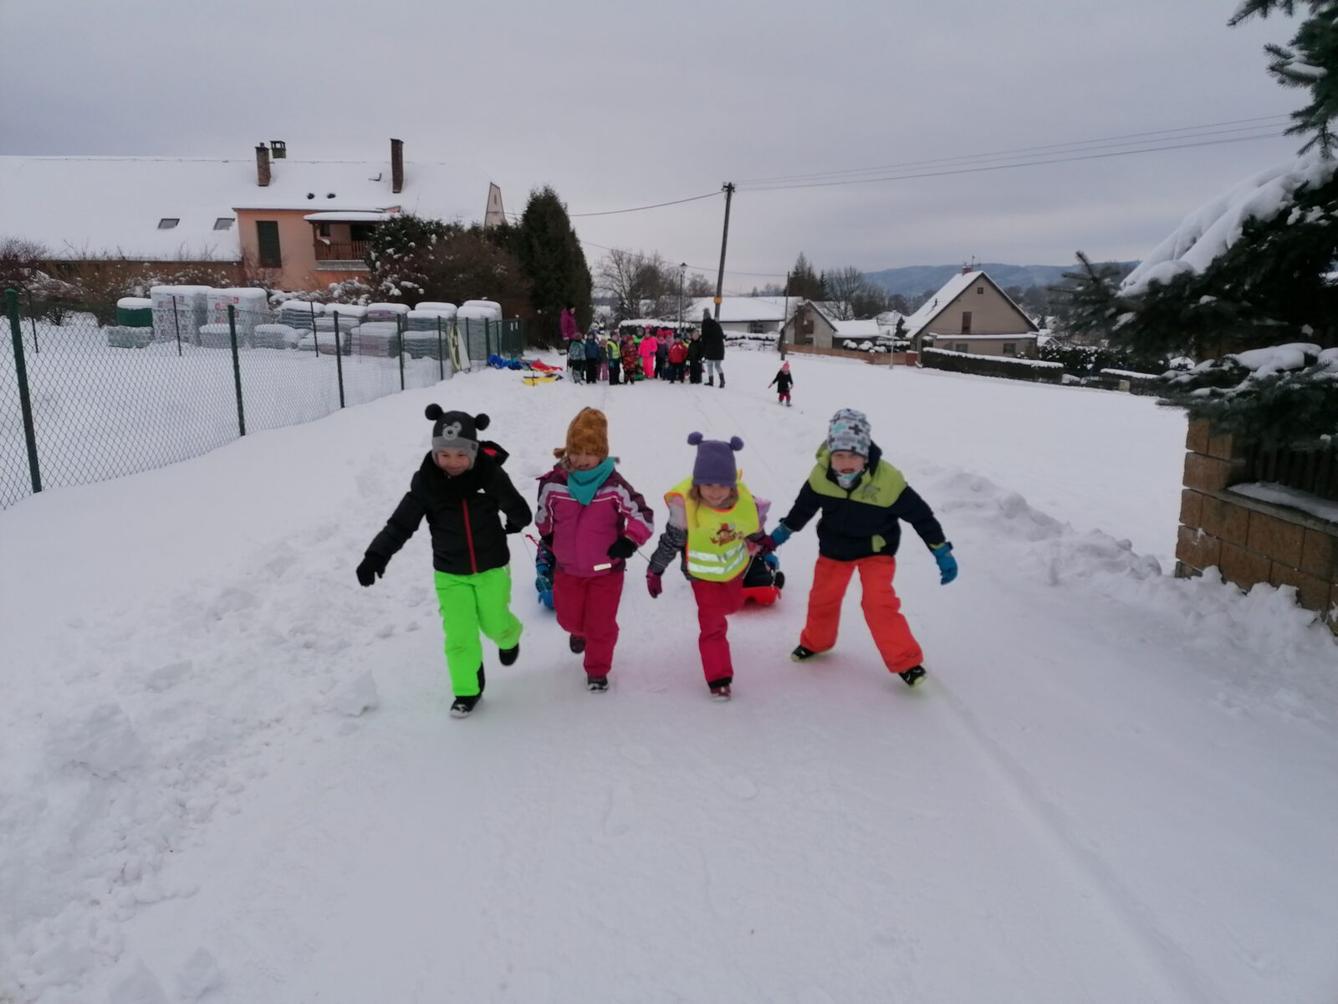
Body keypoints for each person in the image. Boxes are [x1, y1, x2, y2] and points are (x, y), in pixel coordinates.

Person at [760, 409, 958, 688]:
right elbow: (801, 511)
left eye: (853, 455)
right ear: (830, 454)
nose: (846, 463)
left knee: (878, 603)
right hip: (834, 548)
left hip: (875, 550)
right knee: (823, 598)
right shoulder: (821, 476)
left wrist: (940, 550)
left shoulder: (887, 480)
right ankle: (816, 642)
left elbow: (920, 515)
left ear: (866, 455)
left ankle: (906, 661)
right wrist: (778, 536)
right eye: (839, 455)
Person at [356, 405, 532, 718]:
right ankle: (467, 690)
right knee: (459, 636)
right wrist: (376, 555)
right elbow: (400, 524)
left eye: (461, 455)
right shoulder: (427, 485)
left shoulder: (488, 475)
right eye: (445, 455)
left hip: (492, 567)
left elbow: (512, 501)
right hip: (450, 574)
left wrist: (518, 519)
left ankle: (509, 636)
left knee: (494, 622)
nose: (452, 462)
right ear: (435, 453)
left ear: (474, 453)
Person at [535, 408, 654, 691]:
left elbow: (643, 515)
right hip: (567, 569)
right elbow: (542, 515)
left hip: (606, 570)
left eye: (591, 453)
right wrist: (548, 536)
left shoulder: (614, 486)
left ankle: (597, 671)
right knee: (568, 619)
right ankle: (579, 633)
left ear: (602, 453)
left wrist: (629, 540)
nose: (583, 460)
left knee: (600, 625)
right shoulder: (554, 483)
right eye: (577, 452)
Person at [645, 432, 770, 700]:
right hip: (701, 577)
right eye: (708, 484)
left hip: (734, 571)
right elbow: (670, 542)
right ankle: (719, 678)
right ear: (697, 484)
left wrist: (763, 542)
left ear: (732, 485)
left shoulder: (742, 504)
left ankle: (721, 625)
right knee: (712, 625)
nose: (715, 491)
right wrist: (655, 569)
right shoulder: (688, 511)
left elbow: (752, 529)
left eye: (722, 485)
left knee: (732, 607)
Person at [700, 308, 726, 387]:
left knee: (709, 365)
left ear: (704, 316)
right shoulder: (716, 323)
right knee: (718, 366)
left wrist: (703, 350)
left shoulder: (704, 324)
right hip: (719, 349)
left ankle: (711, 382)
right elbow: (722, 335)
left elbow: (704, 338)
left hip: (710, 349)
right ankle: (722, 380)